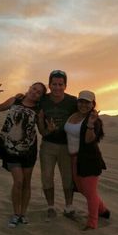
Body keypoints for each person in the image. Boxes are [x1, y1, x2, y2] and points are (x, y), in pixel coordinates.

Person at [0, 82, 47, 228]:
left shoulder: (39, 109)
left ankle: (23, 214)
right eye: (34, 88)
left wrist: (50, 130)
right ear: (29, 88)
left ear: (40, 96)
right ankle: (16, 214)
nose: (35, 92)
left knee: (27, 183)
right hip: (11, 149)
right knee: (19, 181)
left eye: (39, 92)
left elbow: (41, 131)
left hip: (28, 149)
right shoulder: (14, 100)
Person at [64, 90, 110, 230]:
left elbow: (89, 140)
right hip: (73, 159)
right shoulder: (72, 115)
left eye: (87, 102)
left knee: (90, 193)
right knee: (83, 190)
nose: (83, 104)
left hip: (88, 160)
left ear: (93, 104)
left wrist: (90, 124)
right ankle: (103, 211)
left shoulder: (94, 120)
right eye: (81, 101)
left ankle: (92, 223)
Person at [37, 70, 78, 219]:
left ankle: (68, 207)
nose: (57, 87)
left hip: (67, 145)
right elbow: (41, 130)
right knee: (47, 176)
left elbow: (84, 112)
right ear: (49, 85)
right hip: (48, 145)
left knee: (67, 177)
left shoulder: (73, 101)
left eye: (60, 84)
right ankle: (51, 207)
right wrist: (46, 129)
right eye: (54, 84)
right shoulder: (42, 100)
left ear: (65, 86)